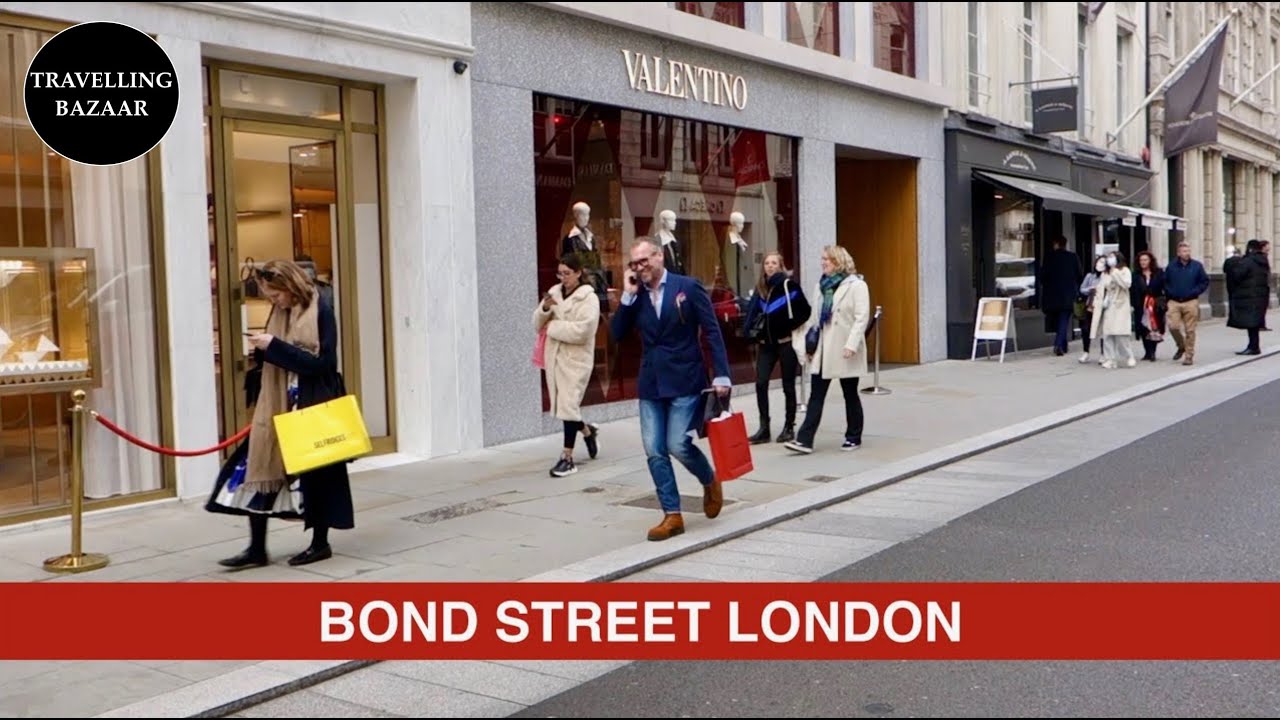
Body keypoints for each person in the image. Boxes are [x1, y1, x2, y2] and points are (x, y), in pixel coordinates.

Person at [206, 259, 354, 568]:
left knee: (317, 478)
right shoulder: (282, 311)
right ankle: (256, 548)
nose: (274, 302)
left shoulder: (321, 309)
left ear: (290, 287)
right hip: (275, 407)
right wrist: (265, 349)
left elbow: (323, 364)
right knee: (253, 469)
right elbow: (278, 357)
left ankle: (320, 543)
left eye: (276, 295)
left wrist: (274, 347)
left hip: (311, 404)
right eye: (270, 297)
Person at [611, 239, 731, 542]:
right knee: (654, 449)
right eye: (634, 264)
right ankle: (672, 514)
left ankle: (709, 479)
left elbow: (712, 332)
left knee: (677, 444)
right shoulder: (635, 295)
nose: (640, 268)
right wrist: (627, 296)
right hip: (651, 382)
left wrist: (723, 376)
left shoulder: (687, 287)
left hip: (685, 378)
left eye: (644, 261)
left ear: (659, 256)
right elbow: (616, 334)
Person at [784, 245, 871, 454]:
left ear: (839, 262)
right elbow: (815, 319)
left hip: (844, 348)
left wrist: (851, 345)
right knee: (816, 394)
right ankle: (804, 440)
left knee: (850, 393)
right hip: (824, 348)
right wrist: (809, 345)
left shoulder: (856, 285)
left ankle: (853, 436)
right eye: (823, 259)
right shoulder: (821, 286)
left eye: (828, 260)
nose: (824, 262)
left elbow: (861, 318)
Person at [534, 254, 602, 478]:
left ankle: (567, 457)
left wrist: (553, 327)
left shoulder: (588, 298)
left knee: (568, 405)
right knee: (567, 407)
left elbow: (584, 330)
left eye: (567, 273)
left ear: (578, 272)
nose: (563, 278)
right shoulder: (554, 293)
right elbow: (536, 325)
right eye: (560, 273)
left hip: (576, 359)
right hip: (555, 357)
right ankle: (587, 431)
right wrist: (544, 309)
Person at [743, 252, 810, 445]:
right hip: (766, 345)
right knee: (761, 383)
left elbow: (805, 311)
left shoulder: (789, 286)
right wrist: (749, 333)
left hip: (785, 343)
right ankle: (764, 428)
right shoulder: (761, 288)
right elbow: (752, 313)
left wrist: (789, 326)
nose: (770, 266)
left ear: (780, 266)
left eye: (774, 263)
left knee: (788, 385)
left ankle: (789, 426)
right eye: (767, 263)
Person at [1162, 241, 1209, 366]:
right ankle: (1181, 345)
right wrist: (1169, 292)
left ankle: (1189, 355)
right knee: (1173, 326)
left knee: (1190, 330)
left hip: (1191, 300)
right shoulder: (1171, 266)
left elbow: (1204, 281)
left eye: (1188, 251)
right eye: (1184, 251)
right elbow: (1165, 282)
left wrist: (1195, 291)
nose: (1186, 253)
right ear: (1178, 253)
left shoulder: (1197, 266)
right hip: (1174, 300)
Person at [1090, 251, 1135, 369]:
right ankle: (1110, 359)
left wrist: (1115, 272)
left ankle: (1128, 356)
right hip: (1109, 305)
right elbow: (1102, 288)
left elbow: (1126, 285)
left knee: (1121, 334)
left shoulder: (1124, 271)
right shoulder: (1106, 273)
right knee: (1107, 334)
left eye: (1112, 257)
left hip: (1121, 305)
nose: (1109, 260)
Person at [1225, 239, 1271, 356]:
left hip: (1249, 296)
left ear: (1250, 248)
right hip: (1259, 296)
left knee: (1251, 323)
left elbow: (1237, 275)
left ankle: (1253, 347)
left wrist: (1233, 261)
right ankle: (1253, 346)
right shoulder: (1263, 261)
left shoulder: (1248, 261)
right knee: (1254, 323)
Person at [1039, 237, 1083, 356]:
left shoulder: (1049, 257)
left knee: (1058, 321)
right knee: (1063, 320)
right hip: (1068, 295)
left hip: (1051, 296)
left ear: (1056, 244)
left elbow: (1042, 276)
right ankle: (1059, 345)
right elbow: (1079, 275)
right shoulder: (1073, 257)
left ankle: (1062, 345)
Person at [1131, 251, 1166, 362]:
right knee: (1143, 328)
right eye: (1141, 260)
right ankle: (1147, 351)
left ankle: (1152, 352)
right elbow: (1132, 290)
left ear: (1150, 261)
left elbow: (1162, 286)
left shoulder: (1158, 273)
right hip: (1141, 305)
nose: (1143, 262)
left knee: (1154, 327)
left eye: (1145, 260)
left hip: (1155, 304)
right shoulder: (1135, 275)